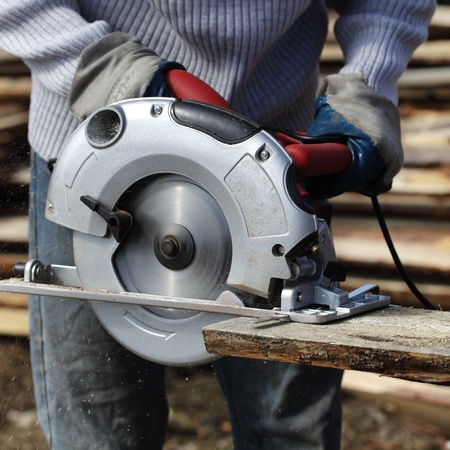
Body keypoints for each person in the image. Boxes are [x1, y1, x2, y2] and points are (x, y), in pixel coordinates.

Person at [0, 1, 435, 449]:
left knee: (290, 432)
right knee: (97, 429)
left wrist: (367, 84)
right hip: (97, 148)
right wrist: (108, 70)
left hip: (270, 170)